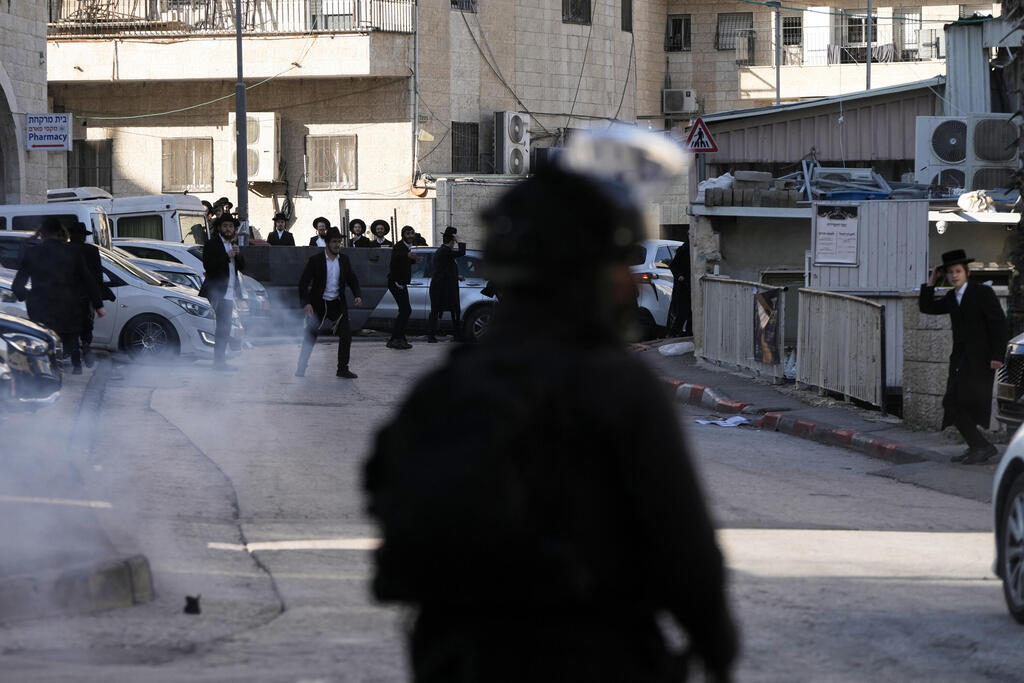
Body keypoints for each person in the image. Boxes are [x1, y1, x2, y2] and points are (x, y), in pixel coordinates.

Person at [364, 154, 738, 683]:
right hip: (591, 657)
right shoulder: (618, 387)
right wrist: (717, 648)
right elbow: (686, 551)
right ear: (587, 274)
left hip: (457, 659)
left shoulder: (445, 387)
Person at [919, 249, 1008, 464]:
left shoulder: (982, 293)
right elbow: (927, 307)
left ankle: (980, 446)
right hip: (960, 360)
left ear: (966, 273)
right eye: (949, 272)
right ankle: (978, 446)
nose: (954, 276)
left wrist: (998, 355)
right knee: (952, 404)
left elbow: (999, 324)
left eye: (957, 271)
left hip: (981, 360)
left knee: (964, 403)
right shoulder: (951, 297)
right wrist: (931, 281)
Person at [12, 218, 105, 375]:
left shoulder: (32, 252)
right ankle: (76, 367)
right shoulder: (72, 252)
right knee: (72, 338)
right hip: (69, 305)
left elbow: (17, 285)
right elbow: (88, 279)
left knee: (44, 339)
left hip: (41, 307)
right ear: (60, 232)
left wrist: (29, 296)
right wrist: (98, 305)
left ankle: (47, 371)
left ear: (43, 233)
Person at [296, 227, 363, 379]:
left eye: (339, 242)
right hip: (318, 304)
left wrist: (357, 295)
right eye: (334, 242)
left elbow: (352, 279)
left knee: (346, 334)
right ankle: (301, 366)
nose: (337, 245)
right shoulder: (316, 260)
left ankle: (342, 369)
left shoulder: (344, 260)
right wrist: (306, 303)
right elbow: (303, 283)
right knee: (310, 335)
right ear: (327, 243)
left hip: (336, 304)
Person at [199, 214, 245, 371]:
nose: (228, 229)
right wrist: (227, 256)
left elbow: (243, 267)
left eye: (231, 226)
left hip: (229, 292)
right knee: (218, 328)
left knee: (225, 328)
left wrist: (238, 255)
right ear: (219, 227)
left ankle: (220, 362)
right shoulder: (212, 244)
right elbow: (208, 266)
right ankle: (218, 362)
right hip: (216, 292)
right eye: (225, 226)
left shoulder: (234, 243)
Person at [67, 221, 111, 368]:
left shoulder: (64, 250)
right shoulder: (91, 250)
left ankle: (76, 363)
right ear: (83, 236)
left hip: (67, 296)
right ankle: (86, 345)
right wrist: (97, 298)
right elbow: (97, 277)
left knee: (71, 330)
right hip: (86, 296)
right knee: (87, 326)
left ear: (70, 236)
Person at [426, 227, 465, 343]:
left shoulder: (444, 251)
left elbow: (443, 269)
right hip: (441, 288)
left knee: (451, 310)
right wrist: (460, 241)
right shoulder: (445, 251)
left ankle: (455, 335)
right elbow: (462, 252)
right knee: (440, 310)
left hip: (444, 287)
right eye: (454, 241)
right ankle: (432, 336)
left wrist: (457, 276)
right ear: (452, 241)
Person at [385, 225, 421, 350]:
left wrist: (413, 260)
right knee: (406, 310)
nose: (410, 236)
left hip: (401, 283)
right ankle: (397, 339)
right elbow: (396, 259)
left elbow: (403, 262)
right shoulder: (400, 247)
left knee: (405, 310)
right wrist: (408, 256)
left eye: (412, 233)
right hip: (396, 283)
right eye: (408, 233)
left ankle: (397, 338)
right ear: (403, 235)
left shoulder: (407, 247)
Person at [666, 244, 692, 337]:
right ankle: (673, 333)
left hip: (690, 285)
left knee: (690, 312)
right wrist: (680, 276)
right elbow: (673, 266)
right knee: (682, 311)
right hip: (682, 287)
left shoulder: (694, 249)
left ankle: (688, 333)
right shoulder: (684, 250)